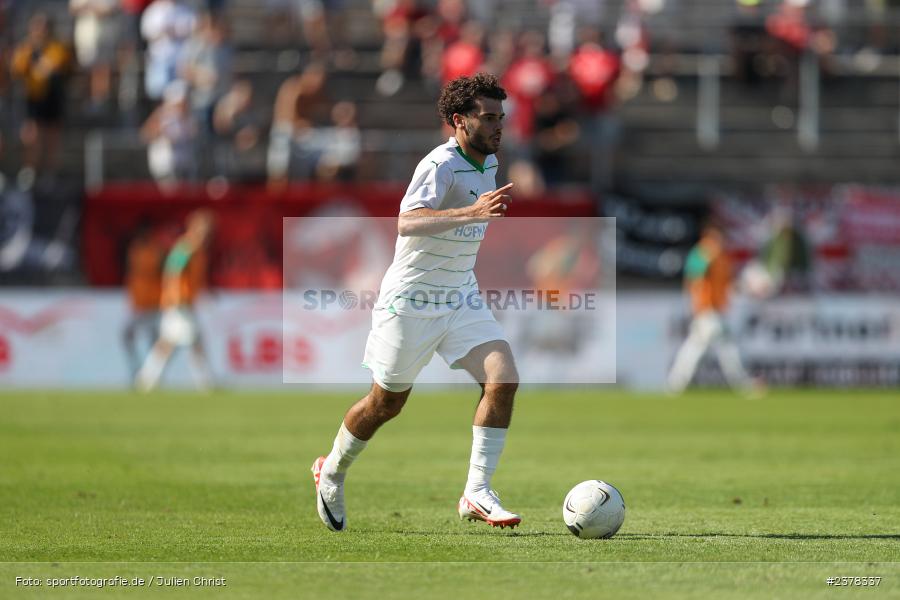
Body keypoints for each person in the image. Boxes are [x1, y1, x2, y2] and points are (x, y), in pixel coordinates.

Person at [311, 73, 521, 531]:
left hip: (461, 293)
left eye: (500, 117)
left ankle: (476, 492)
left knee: (502, 379)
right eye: (487, 118)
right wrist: (472, 211)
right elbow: (406, 221)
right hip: (411, 300)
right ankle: (331, 472)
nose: (497, 126)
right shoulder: (440, 164)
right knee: (385, 405)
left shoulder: (488, 162)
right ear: (458, 121)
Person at [667, 221, 763, 397]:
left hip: (716, 309)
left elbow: (728, 284)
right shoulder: (705, 253)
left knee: (696, 347)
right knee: (726, 347)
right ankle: (743, 384)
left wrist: (749, 287)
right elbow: (694, 278)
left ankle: (676, 383)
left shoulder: (721, 257)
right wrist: (698, 304)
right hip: (707, 309)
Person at [135, 210, 215, 391]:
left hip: (184, 303)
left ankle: (147, 379)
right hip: (179, 304)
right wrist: (175, 296)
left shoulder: (197, 250)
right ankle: (205, 383)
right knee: (189, 342)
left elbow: (194, 279)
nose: (206, 235)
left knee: (170, 343)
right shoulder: (187, 248)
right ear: (194, 228)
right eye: (204, 230)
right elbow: (173, 271)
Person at [10, 13, 71, 185]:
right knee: (31, 135)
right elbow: (17, 68)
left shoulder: (57, 47)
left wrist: (38, 65)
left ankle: (50, 173)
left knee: (52, 137)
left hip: (53, 97)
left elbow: (51, 67)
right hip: (33, 99)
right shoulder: (26, 48)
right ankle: (30, 170)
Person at [123, 222, 164, 379]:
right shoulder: (135, 249)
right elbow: (131, 272)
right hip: (139, 302)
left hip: (154, 301)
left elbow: (163, 272)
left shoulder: (156, 250)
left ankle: (150, 374)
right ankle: (140, 370)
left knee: (155, 341)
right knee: (129, 336)